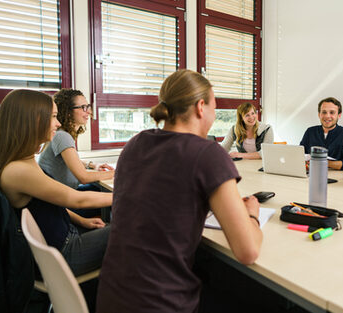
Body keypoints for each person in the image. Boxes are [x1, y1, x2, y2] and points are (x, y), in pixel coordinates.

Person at [96, 69, 263, 313]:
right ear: (200, 107)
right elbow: (248, 252)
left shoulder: (135, 143)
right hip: (162, 304)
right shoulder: (208, 153)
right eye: (214, 109)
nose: (214, 117)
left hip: (111, 298)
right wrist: (252, 215)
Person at [0, 89, 112, 276]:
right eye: (54, 117)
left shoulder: (24, 160)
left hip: (62, 241)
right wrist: (130, 194)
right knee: (136, 226)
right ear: (33, 120)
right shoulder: (18, 170)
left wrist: (82, 221)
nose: (58, 123)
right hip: (63, 255)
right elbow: (77, 200)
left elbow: (53, 202)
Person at [39, 88, 114, 191]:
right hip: (61, 201)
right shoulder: (62, 136)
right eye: (83, 107)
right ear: (68, 111)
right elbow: (84, 177)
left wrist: (92, 165)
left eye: (88, 106)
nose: (89, 111)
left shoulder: (61, 133)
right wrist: (118, 172)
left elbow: (72, 161)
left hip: (64, 193)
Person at [299, 97, 343, 170]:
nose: (327, 116)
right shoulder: (310, 132)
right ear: (319, 114)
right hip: (311, 174)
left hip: (338, 177)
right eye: (324, 112)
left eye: (332, 112)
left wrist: (323, 162)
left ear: (339, 115)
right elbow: (300, 157)